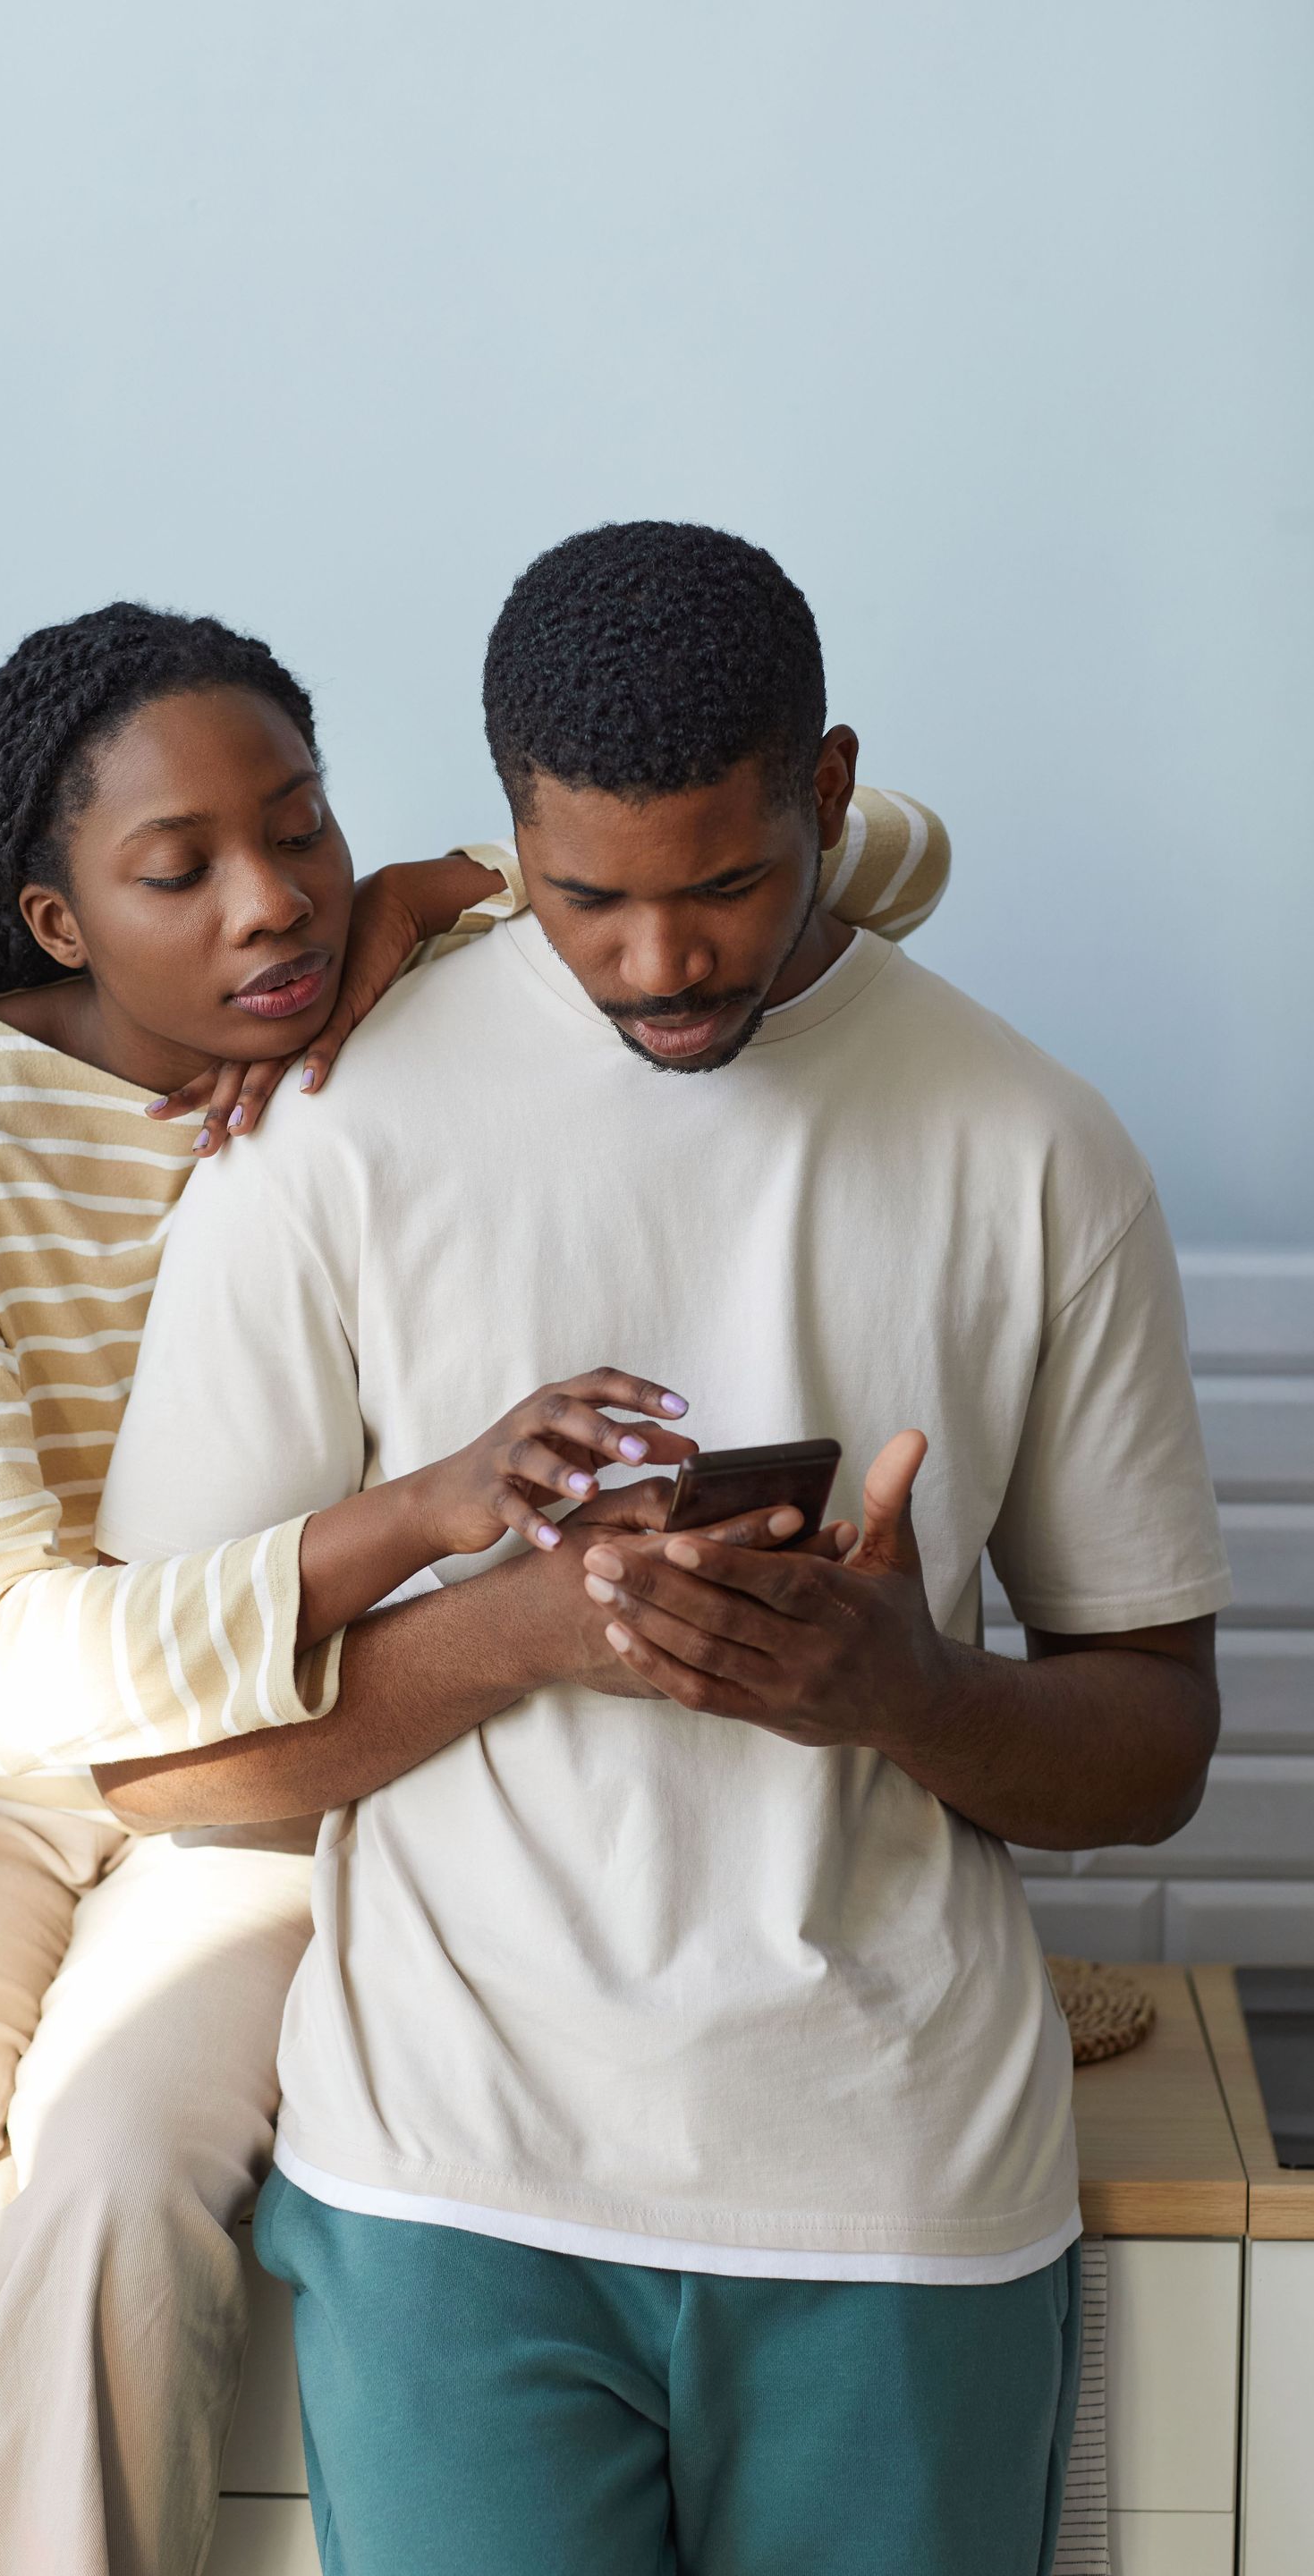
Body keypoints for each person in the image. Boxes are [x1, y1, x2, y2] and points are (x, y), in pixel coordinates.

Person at [0, 598, 948, 2576]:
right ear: (59, 921)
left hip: (294, 1764)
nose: (272, 906)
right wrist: (412, 1514)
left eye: (303, 830)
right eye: (185, 869)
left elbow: (878, 846)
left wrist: (456, 885)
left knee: (114, 2191)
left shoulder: (427, 983)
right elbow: (1, 1646)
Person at [96, 522, 1231, 2576]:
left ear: (829, 792)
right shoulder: (329, 1134)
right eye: (583, 895)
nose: (655, 961)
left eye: (720, 884)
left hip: (898, 2200)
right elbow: (160, 1760)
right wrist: (524, 1634)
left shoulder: (1034, 1148)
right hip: (454, 2202)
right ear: (504, 826)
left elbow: (1154, 1741)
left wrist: (909, 1695)